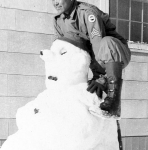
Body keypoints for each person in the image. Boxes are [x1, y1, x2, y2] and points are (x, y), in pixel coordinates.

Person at [51, 0, 131, 149]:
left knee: (107, 42)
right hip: (96, 65)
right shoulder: (58, 21)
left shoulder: (88, 13)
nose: (55, 2)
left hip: (113, 55)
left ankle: (114, 103)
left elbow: (98, 46)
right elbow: (62, 50)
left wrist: (103, 78)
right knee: (97, 104)